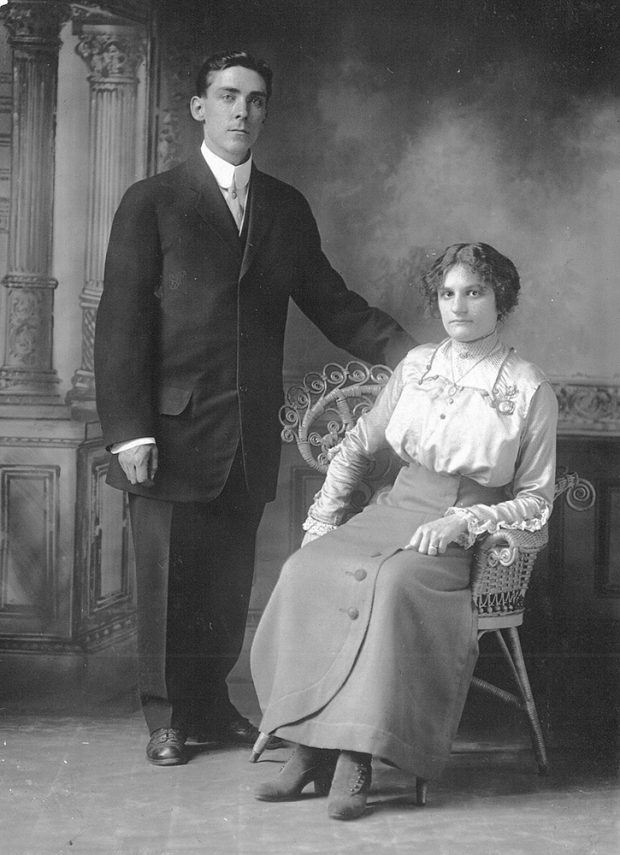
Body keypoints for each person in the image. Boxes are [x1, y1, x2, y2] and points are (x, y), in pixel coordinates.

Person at [94, 50, 414, 767]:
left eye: (257, 100)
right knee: (170, 582)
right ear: (198, 107)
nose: (244, 111)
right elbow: (119, 325)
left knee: (225, 580)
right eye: (229, 96)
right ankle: (167, 717)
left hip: (246, 436)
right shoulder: (153, 200)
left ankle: (210, 704)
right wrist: (129, 431)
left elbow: (333, 304)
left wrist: (412, 352)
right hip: (166, 432)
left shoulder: (286, 207)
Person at [250, 242, 558, 820]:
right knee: (305, 568)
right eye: (447, 294)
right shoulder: (416, 365)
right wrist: (322, 518)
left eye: (474, 292)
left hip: (466, 531)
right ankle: (308, 744)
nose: (459, 307)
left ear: (502, 300)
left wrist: (465, 521)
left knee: (392, 584)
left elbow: (536, 498)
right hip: (397, 507)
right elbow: (359, 445)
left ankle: (358, 755)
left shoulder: (528, 386)